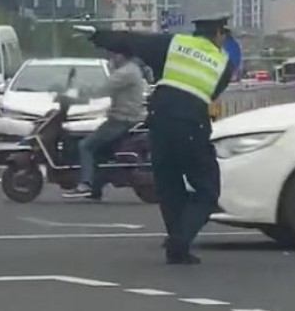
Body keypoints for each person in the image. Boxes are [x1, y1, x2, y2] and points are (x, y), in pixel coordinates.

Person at [79, 15, 234, 265]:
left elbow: (131, 42)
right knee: (207, 190)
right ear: (218, 35)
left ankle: (176, 248)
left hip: (159, 120)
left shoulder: (174, 44)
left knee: (169, 185)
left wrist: (97, 36)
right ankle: (180, 240)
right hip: (191, 123)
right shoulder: (224, 63)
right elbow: (211, 93)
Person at [63, 44, 147, 199]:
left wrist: (76, 94)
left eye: (113, 55)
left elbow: (102, 89)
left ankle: (86, 183)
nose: (111, 59)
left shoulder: (125, 73)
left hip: (121, 120)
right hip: (125, 118)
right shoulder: (131, 70)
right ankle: (96, 187)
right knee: (100, 151)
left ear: (121, 56)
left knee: (85, 146)